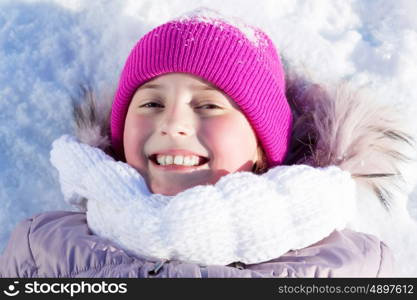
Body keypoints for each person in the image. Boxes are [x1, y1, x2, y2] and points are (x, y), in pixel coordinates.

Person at [0, 8, 413, 278]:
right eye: (151, 102)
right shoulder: (43, 247)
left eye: (209, 105)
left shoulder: (353, 269)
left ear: (260, 148)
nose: (173, 122)